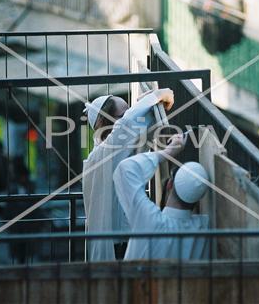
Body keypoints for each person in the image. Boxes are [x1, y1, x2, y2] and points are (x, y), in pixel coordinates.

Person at [82, 89, 174, 261]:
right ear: (105, 122)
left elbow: (133, 125)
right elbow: (128, 124)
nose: (127, 117)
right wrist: (158, 95)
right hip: (119, 247)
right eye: (122, 115)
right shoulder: (106, 151)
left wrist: (149, 101)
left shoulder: (107, 152)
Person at [113, 134, 210, 260]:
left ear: (169, 185)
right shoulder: (203, 227)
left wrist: (168, 152)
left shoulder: (149, 220)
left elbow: (125, 169)